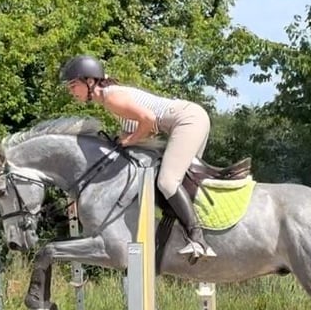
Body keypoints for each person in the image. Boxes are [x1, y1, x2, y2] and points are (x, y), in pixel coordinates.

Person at [59, 54, 216, 260]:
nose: (71, 91)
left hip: (188, 121)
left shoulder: (111, 97)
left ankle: (198, 239)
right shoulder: (110, 98)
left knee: (168, 182)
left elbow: (148, 120)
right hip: (189, 118)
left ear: (89, 81)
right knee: (182, 183)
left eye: (73, 85)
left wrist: (128, 140)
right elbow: (144, 127)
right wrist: (126, 138)